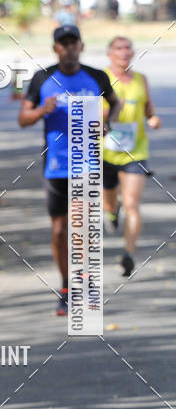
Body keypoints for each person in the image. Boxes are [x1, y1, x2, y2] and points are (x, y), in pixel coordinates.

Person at [18, 25, 121, 315]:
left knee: (82, 226)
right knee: (60, 229)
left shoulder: (96, 77)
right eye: (63, 44)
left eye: (73, 43)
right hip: (55, 166)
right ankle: (65, 286)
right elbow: (23, 118)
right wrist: (42, 110)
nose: (69, 48)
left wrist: (107, 123)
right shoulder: (43, 78)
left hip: (86, 163)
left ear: (81, 46)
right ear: (56, 49)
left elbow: (116, 103)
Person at [102, 36, 161, 277]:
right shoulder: (102, 78)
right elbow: (94, 114)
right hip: (105, 151)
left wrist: (153, 119)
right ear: (110, 54)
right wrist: (110, 111)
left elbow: (149, 110)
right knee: (110, 200)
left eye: (128, 48)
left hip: (135, 151)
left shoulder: (141, 79)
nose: (124, 52)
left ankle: (129, 253)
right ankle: (111, 212)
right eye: (119, 48)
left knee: (132, 204)